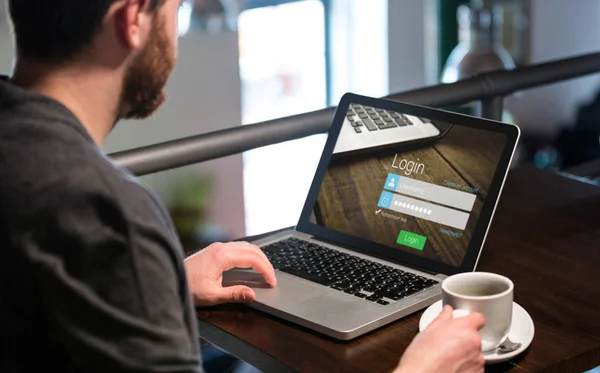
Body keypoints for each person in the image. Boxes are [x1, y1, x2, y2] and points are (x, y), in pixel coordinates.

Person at [0, 1, 485, 372]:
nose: (176, 32)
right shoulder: (107, 214)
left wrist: (161, 282)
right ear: (133, 19)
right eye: (177, 9)